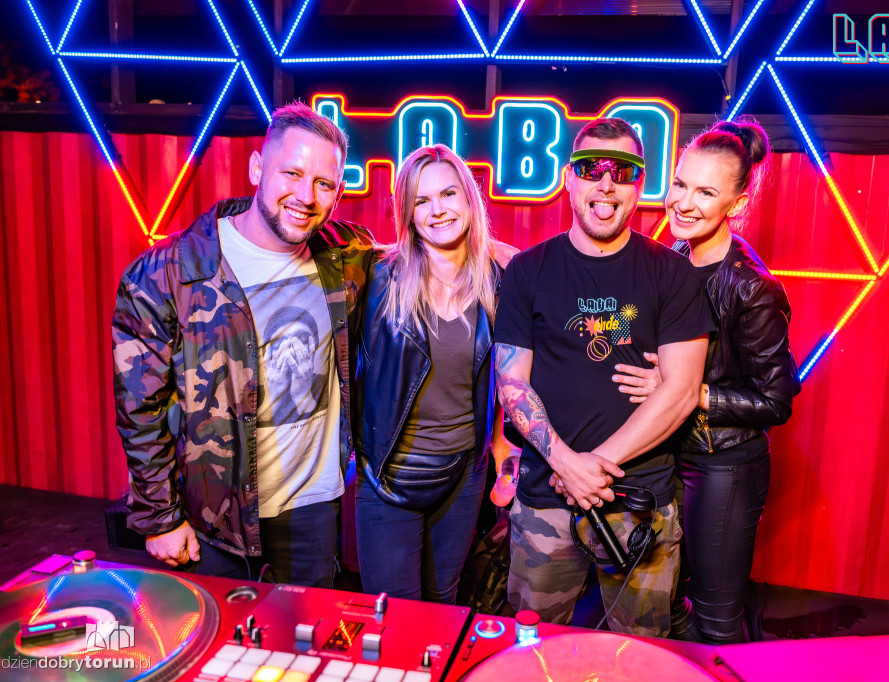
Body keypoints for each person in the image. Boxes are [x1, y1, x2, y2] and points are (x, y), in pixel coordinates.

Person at [112, 102, 374, 587]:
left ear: (338, 192)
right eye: (292, 173)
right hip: (213, 518)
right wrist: (159, 517)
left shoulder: (347, 257)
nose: (306, 196)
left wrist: (487, 249)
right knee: (215, 635)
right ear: (257, 168)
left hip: (313, 511)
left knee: (307, 633)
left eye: (324, 183)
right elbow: (139, 410)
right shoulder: (167, 273)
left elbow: (418, 255)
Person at [493, 118, 714, 637]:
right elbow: (512, 384)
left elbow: (682, 391)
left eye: (624, 170)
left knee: (640, 656)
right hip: (546, 501)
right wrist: (565, 463)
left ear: (640, 185)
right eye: (592, 168)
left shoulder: (672, 274)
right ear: (570, 178)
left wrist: (589, 470)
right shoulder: (527, 271)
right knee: (530, 649)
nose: (607, 183)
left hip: (640, 505)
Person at [615, 117, 801, 643]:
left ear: (736, 204)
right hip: (664, 454)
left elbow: (776, 399)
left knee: (717, 622)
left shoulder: (751, 287)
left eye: (705, 192)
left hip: (723, 465)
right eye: (680, 184)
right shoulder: (673, 260)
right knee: (666, 605)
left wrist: (687, 393)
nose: (684, 202)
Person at [354, 144, 519, 603]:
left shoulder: (500, 279)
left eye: (448, 194)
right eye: (421, 200)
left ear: (469, 198)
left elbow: (509, 378)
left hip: (463, 478)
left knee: (445, 602)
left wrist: (502, 449)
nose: (437, 210)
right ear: (407, 213)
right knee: (393, 613)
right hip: (387, 478)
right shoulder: (377, 278)